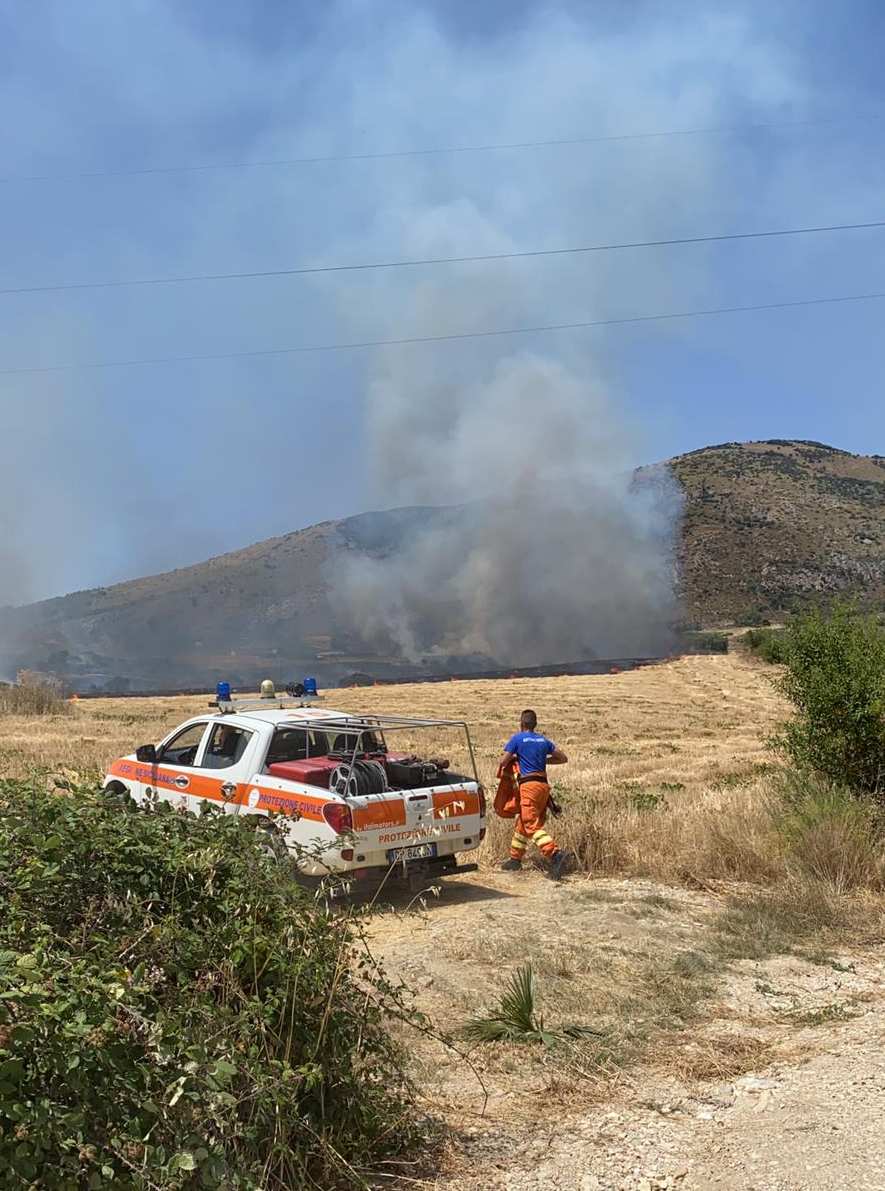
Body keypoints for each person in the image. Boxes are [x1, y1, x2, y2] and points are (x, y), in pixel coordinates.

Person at [497, 709, 571, 881]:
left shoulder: (518, 738)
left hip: (528, 786)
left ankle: (555, 854)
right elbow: (563, 758)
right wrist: (542, 759)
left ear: (521, 724)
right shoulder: (543, 740)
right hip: (543, 787)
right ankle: (515, 859)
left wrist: (519, 759)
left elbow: (503, 761)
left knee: (531, 823)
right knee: (523, 822)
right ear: (535, 724)